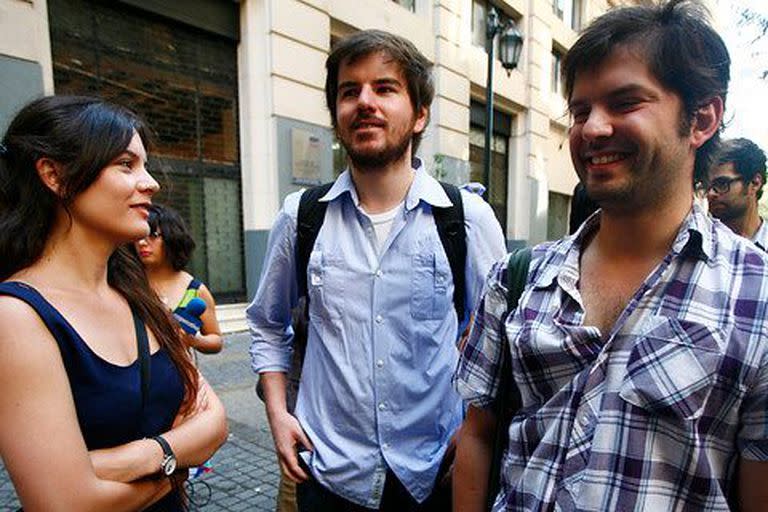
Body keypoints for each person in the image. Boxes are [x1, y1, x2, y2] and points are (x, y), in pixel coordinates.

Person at [453, 1, 768, 510]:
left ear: (702, 118)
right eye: (580, 110)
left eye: (624, 103)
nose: (592, 129)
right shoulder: (517, 278)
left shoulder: (758, 296)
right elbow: (477, 435)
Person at [247, 30, 506, 511]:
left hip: (434, 473)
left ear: (419, 114)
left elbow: (495, 336)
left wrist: (474, 429)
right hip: (328, 472)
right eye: (350, 92)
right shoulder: (301, 217)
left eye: (385, 88)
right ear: (337, 115)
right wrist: (278, 415)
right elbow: (266, 322)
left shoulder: (465, 220)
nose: (365, 102)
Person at [0, 95, 228, 511]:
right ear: (54, 175)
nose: (152, 182)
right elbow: (66, 504)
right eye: (126, 165)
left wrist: (147, 457)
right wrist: (178, 463)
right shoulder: (16, 317)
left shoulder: (138, 295)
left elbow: (214, 422)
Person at [136, 203, 223, 354]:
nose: (142, 243)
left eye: (153, 235)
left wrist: (193, 340)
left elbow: (216, 339)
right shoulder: (126, 282)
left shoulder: (195, 291)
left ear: (172, 237)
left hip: (177, 375)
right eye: (139, 236)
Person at [706, 137, 768, 249]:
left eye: (721, 184)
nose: (710, 194)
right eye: (706, 186)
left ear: (755, 183)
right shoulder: (698, 243)